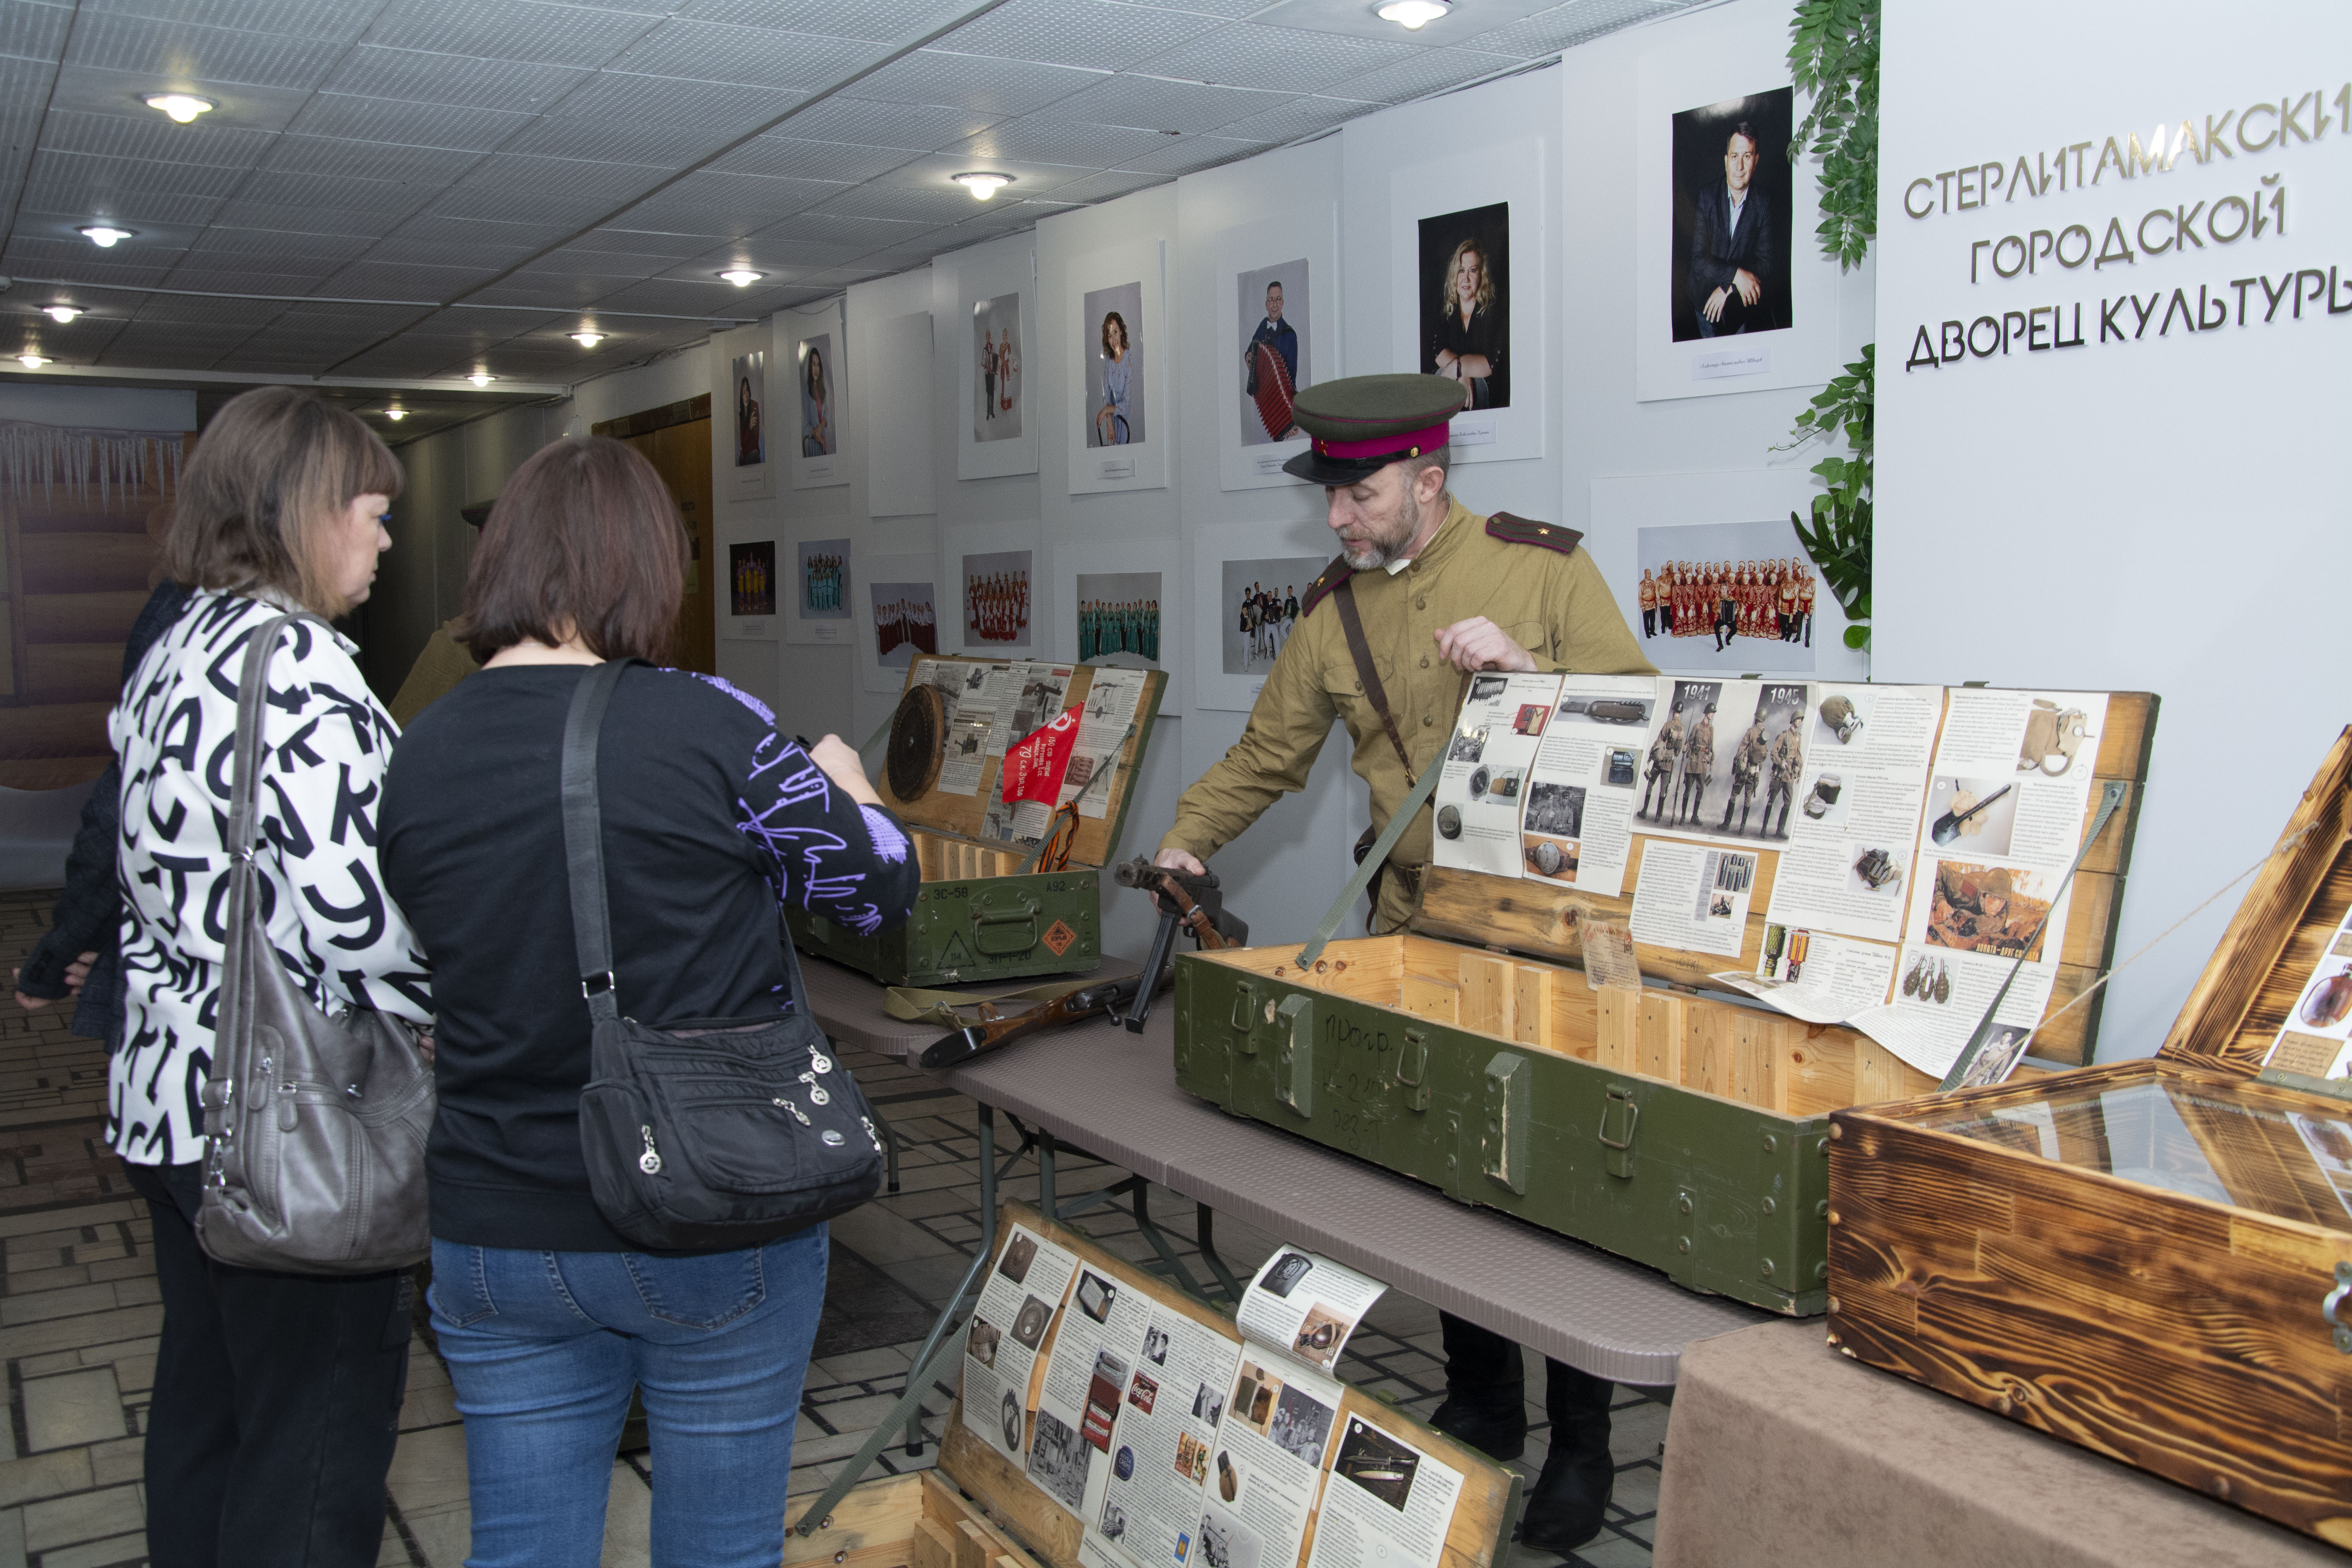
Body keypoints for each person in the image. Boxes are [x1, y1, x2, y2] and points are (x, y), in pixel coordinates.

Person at [379, 436, 919, 1568]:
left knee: (523, 1550)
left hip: (493, 1221)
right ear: (644, 570)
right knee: (720, 1546)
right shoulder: (707, 728)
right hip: (709, 1209)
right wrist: (856, 793)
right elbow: (876, 899)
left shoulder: (417, 753)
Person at [1150, 372, 1651, 1553]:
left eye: (1358, 493)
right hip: (1414, 926)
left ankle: (1583, 1440)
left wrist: (1532, 670)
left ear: (1427, 483)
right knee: (1440, 1170)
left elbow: (1643, 719)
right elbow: (1267, 753)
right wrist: (1184, 836)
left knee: (1560, 1190)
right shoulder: (1333, 615)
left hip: (1547, 933)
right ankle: (1484, 1399)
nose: (1335, 517)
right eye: (1329, 494)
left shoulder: (1541, 568)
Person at [112, 387, 431, 1568]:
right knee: (313, 1439)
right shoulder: (296, 664)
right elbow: (364, 918)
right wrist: (462, 1004)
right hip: (286, 1126)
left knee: (207, 1416)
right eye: (371, 510)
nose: (386, 539)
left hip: (170, 1105)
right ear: (302, 512)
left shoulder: (180, 642)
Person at [1689, 120, 1777, 337]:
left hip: (1742, 305)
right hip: (1705, 302)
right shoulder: (1707, 198)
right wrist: (1736, 275)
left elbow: (1766, 264)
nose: (1739, 167)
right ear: (1726, 161)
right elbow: (1699, 261)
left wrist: (1730, 287)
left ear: (1756, 161)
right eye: (1735, 157)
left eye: (1747, 156)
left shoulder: (1764, 202)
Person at [1428, 237, 1504, 408]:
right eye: (1462, 271)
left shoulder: (1494, 310)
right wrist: (1462, 374)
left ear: (1482, 275)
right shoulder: (1447, 305)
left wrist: (1459, 366)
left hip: (1487, 399)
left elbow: (1491, 362)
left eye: (1473, 271)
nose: (1466, 279)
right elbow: (1437, 349)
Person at [1245, 279, 1301, 439]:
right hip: (1261, 403)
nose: (1274, 304)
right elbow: (1249, 353)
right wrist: (1251, 361)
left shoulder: (1290, 335)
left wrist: (1293, 419)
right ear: (1266, 304)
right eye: (1271, 300)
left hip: (1280, 410)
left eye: (1278, 299)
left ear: (1283, 303)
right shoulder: (1262, 328)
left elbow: (1291, 381)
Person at [1096, 311, 1134, 445]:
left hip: (1123, 422)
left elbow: (1126, 406)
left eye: (1116, 332)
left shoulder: (1128, 359)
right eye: (1110, 336)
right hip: (1110, 423)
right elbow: (1106, 394)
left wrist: (1106, 410)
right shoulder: (1109, 360)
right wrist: (1109, 420)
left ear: (1122, 331)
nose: (1114, 340)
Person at [802, 348, 832, 456]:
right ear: (810, 366)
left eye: (818, 365)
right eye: (814, 364)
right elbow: (805, 427)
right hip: (813, 444)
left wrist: (820, 428)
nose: (816, 369)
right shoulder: (806, 391)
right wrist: (817, 435)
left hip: (823, 441)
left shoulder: (822, 389)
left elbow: (828, 413)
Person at [736, 373, 762, 464]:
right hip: (746, 455)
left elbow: (755, 441)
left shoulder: (755, 406)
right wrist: (749, 428)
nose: (746, 395)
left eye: (747, 390)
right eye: (743, 392)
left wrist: (744, 451)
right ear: (741, 395)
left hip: (753, 453)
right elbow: (743, 443)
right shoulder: (741, 414)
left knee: (754, 454)